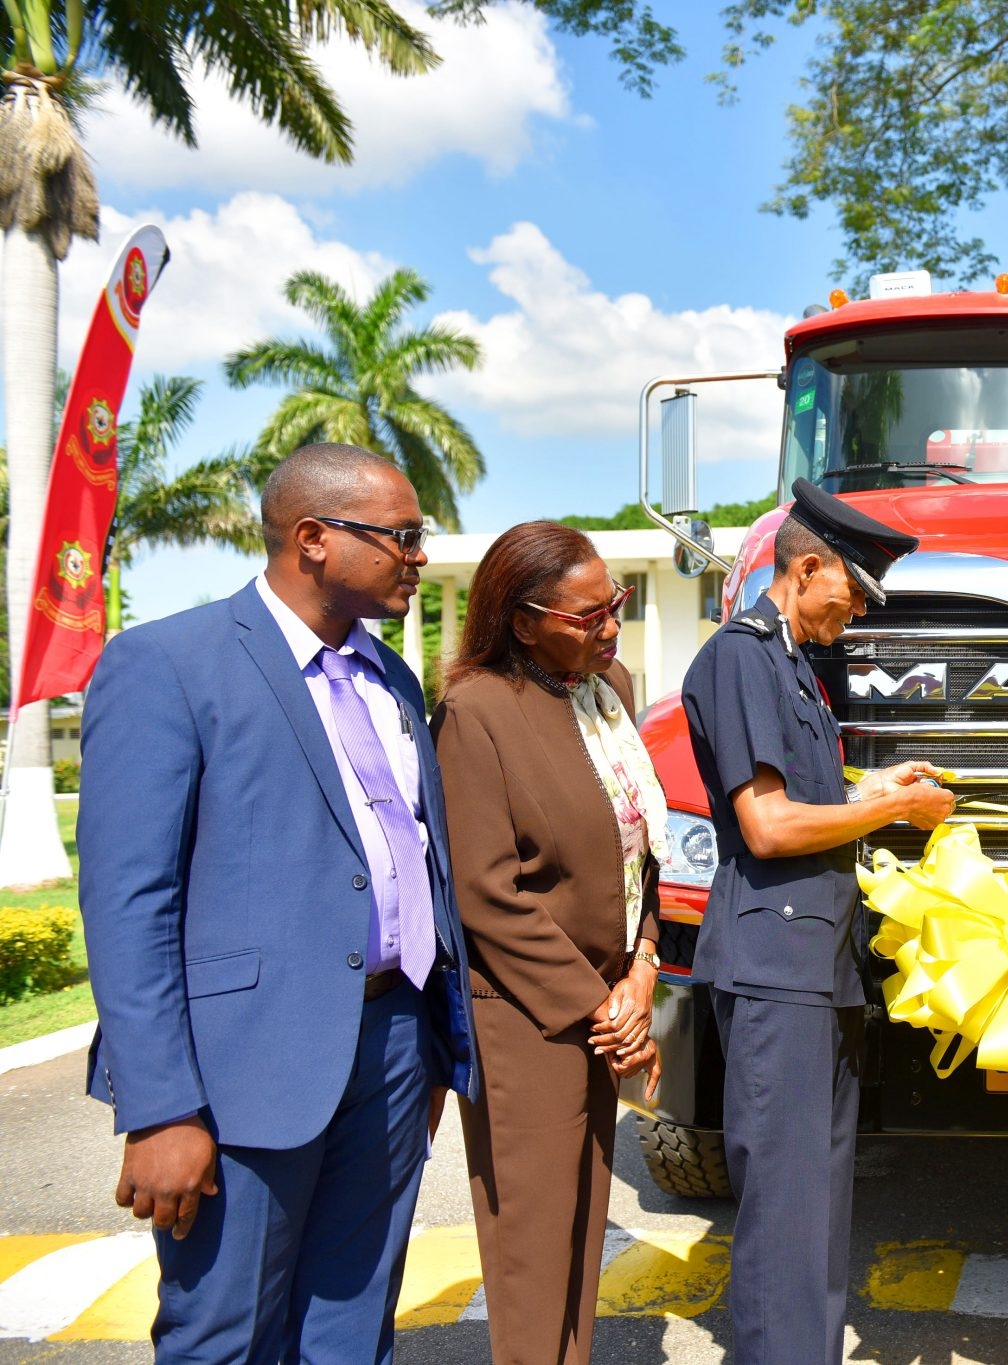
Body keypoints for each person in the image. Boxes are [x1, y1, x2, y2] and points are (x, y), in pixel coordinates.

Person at [76, 443, 475, 1363]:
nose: (418, 555)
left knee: (353, 1325)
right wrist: (161, 1107)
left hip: (391, 1047)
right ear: (313, 539)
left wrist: (429, 1036)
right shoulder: (167, 664)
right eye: (403, 537)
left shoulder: (394, 680)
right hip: (239, 1072)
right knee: (223, 1334)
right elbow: (129, 903)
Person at [680, 480, 956, 1362]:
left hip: (814, 967)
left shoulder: (794, 662)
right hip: (775, 967)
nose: (859, 615)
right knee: (786, 1224)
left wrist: (875, 790)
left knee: (819, 1215)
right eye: (853, 593)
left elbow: (807, 798)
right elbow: (767, 823)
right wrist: (887, 816)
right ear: (806, 568)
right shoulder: (741, 657)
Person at [430, 521, 662, 1365]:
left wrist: (642, 968)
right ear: (524, 621)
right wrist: (602, 1003)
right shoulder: (475, 712)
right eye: (588, 614)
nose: (610, 627)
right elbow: (489, 894)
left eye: (617, 604)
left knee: (583, 1230)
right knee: (532, 1256)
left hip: (606, 1005)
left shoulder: (608, 691)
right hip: (526, 1019)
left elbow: (641, 849)